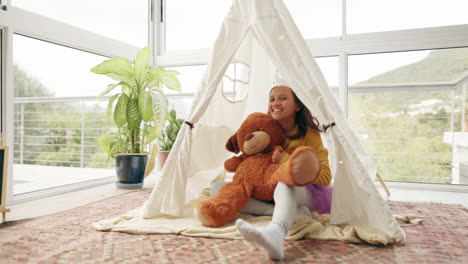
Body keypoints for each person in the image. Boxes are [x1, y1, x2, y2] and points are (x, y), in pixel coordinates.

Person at [234, 85, 333, 260]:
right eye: (272, 99)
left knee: (285, 180)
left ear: (297, 105)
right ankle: (287, 211)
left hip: (306, 191)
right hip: (269, 192)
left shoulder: (309, 134)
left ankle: (276, 231)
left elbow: (325, 177)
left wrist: (285, 160)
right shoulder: (264, 132)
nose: (275, 103)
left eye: (282, 98)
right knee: (221, 190)